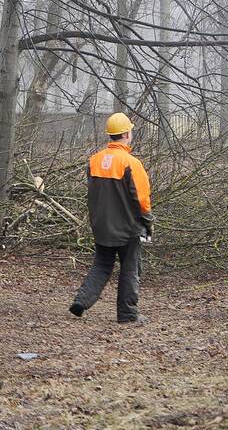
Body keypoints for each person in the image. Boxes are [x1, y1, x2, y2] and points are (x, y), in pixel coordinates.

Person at [70, 112, 153, 324]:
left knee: (101, 265)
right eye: (131, 131)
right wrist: (147, 223)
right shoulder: (131, 163)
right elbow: (142, 199)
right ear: (126, 134)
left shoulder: (94, 161)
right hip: (127, 228)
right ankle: (127, 315)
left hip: (101, 227)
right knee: (129, 269)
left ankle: (81, 302)